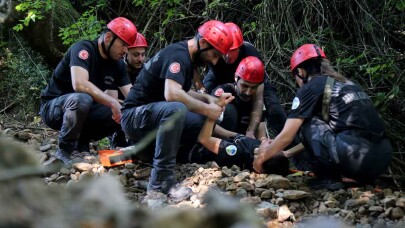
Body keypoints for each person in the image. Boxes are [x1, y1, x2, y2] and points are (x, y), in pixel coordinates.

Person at [253, 44, 393, 191]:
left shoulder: (311, 86)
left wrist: (261, 159)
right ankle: (363, 181)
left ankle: (328, 180)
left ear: (300, 72)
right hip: (382, 158)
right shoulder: (347, 83)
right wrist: (287, 153)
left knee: (307, 122)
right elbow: (324, 136)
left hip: (354, 157)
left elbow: (287, 136)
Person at [121, 20, 233, 201]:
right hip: (133, 117)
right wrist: (207, 109)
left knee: (198, 121)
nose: (214, 60)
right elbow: (172, 93)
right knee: (177, 109)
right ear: (203, 43)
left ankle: (154, 156)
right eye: (214, 54)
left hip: (151, 117)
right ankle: (160, 181)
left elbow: (183, 90)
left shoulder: (187, 58)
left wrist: (207, 99)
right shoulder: (179, 55)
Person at [39, 17, 137, 165]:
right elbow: (80, 84)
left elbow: (133, 97)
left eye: (128, 46)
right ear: (109, 37)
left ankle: (115, 147)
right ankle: (65, 149)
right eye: (123, 44)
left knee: (126, 108)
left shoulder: (118, 64)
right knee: (83, 98)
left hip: (85, 111)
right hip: (54, 109)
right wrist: (111, 102)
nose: (125, 50)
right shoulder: (83, 49)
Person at [200, 22, 287, 141]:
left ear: (240, 49)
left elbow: (258, 100)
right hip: (227, 80)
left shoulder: (251, 54)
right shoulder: (216, 55)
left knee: (275, 109)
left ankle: (291, 148)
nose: (227, 55)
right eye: (225, 50)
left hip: (253, 81)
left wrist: (251, 132)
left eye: (232, 50)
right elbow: (208, 81)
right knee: (207, 98)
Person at [188, 92, 290, 175]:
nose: (272, 141)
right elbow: (233, 135)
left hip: (192, 147)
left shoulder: (236, 153)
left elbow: (204, 139)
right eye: (278, 147)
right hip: (208, 137)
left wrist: (216, 110)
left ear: (261, 160)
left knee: (194, 118)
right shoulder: (258, 147)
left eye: (271, 147)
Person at [106, 32, 149, 148]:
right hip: (117, 110)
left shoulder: (147, 72)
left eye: (143, 55)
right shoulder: (115, 69)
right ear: (125, 53)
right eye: (136, 55)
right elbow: (109, 98)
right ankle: (116, 137)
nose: (140, 59)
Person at [212, 56, 267, 138]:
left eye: (253, 87)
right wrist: (237, 136)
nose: (248, 92)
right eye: (244, 86)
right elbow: (206, 124)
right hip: (218, 141)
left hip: (241, 144)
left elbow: (261, 135)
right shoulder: (223, 92)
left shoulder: (256, 102)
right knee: (230, 111)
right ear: (236, 78)